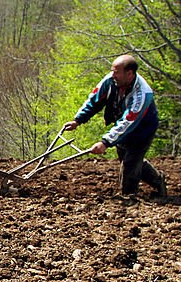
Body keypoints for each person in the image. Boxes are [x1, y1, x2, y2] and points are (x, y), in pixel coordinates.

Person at [64, 54, 167, 199]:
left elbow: (128, 121)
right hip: (122, 124)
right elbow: (94, 100)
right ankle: (158, 180)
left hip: (142, 129)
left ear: (129, 74)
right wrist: (78, 120)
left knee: (129, 165)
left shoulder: (142, 94)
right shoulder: (110, 81)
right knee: (129, 159)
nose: (113, 75)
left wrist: (105, 142)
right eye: (112, 71)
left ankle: (129, 199)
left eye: (116, 72)